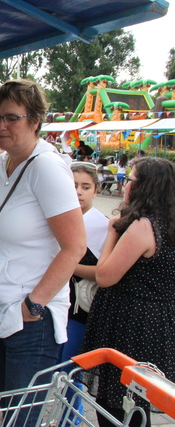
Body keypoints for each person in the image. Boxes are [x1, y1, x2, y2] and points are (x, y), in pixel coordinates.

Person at [0, 80, 86, 427]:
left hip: (31, 320)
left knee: (21, 420)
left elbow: (75, 246)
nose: (0, 126)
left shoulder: (46, 168)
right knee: (9, 411)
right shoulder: (0, 165)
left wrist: (34, 304)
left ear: (35, 120)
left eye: (11, 118)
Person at [80, 157, 175, 427]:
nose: (124, 185)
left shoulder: (144, 226)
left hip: (128, 322)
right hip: (157, 321)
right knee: (137, 399)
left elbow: (104, 276)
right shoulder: (167, 224)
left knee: (115, 404)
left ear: (144, 186)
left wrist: (113, 230)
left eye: (130, 180)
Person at [56, 162, 108, 424]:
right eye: (72, 186)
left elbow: (105, 272)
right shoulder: (59, 218)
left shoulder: (104, 226)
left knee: (68, 369)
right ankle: (70, 418)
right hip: (59, 306)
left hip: (82, 312)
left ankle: (71, 420)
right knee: (65, 370)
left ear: (96, 190)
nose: (78, 192)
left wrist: (65, 264)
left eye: (85, 187)